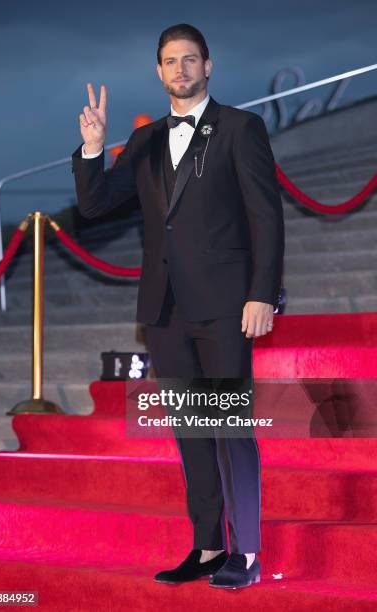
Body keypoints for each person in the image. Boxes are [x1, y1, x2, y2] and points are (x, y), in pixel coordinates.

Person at [71, 23, 285, 590]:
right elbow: (94, 206)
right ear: (159, 71)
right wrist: (94, 147)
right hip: (165, 310)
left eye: (191, 60)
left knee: (231, 427)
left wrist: (263, 292)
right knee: (192, 429)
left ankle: (247, 552)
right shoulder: (142, 143)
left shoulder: (242, 128)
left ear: (208, 66)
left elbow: (266, 216)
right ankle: (209, 546)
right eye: (170, 61)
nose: (181, 70)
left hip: (226, 305)